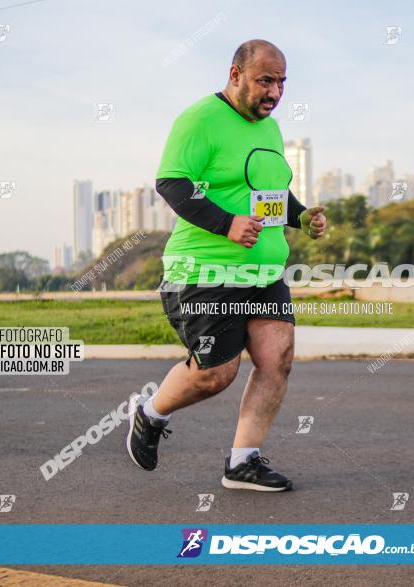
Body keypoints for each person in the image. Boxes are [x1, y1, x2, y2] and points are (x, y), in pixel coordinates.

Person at [127, 39, 327, 492]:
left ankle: (242, 462)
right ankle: (150, 412)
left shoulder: (270, 131)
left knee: (277, 358)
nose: (274, 93)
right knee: (216, 373)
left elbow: (270, 196)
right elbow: (172, 184)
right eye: (264, 81)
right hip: (202, 272)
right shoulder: (200, 119)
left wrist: (301, 216)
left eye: (281, 83)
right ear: (235, 75)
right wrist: (226, 224)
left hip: (262, 275)